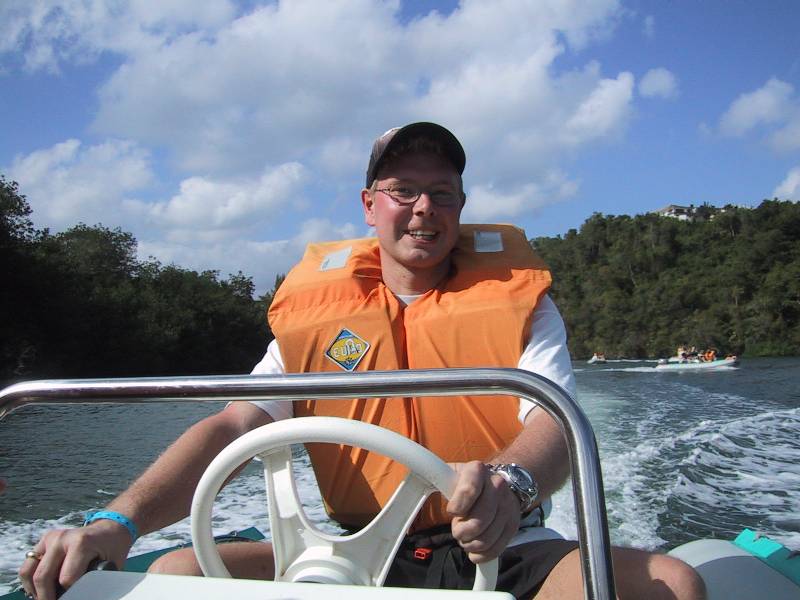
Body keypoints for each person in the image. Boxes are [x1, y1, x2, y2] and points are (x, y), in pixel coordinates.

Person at [19, 122, 705, 600]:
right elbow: (232, 428)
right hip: (346, 549)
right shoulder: (313, 316)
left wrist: (512, 486)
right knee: (172, 571)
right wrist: (116, 520)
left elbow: (553, 421)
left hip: (498, 543)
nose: (423, 208)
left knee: (672, 585)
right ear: (369, 204)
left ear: (462, 208)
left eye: (442, 193)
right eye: (403, 189)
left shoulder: (521, 302)